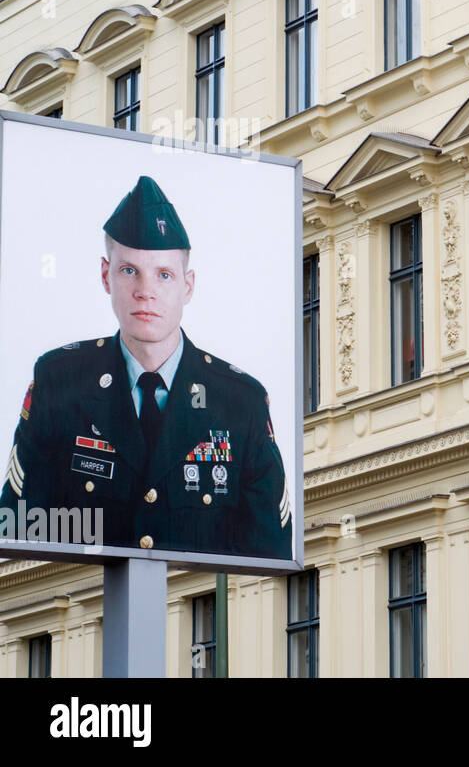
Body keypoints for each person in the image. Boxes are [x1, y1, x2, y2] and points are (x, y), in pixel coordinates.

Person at [0, 175, 292, 560]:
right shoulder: (59, 382)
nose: (145, 290)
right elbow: (18, 529)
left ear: (188, 286)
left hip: (194, 613)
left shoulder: (241, 402)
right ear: (106, 275)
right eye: (129, 271)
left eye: (164, 274)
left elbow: (268, 552)